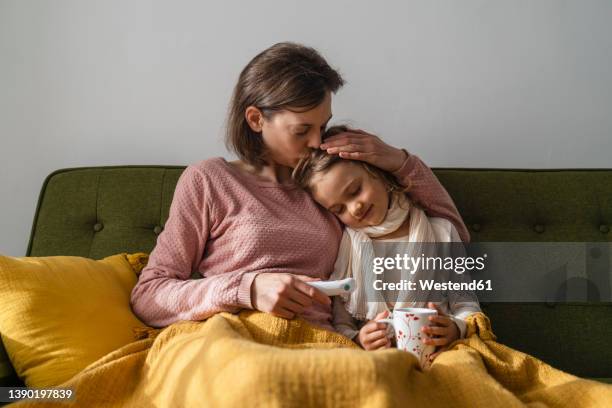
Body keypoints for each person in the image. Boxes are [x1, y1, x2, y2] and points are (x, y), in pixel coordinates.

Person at [130, 42, 470, 334]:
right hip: (238, 339)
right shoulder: (209, 180)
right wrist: (247, 287)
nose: (316, 142)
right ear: (256, 119)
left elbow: (447, 230)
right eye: (302, 130)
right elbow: (150, 295)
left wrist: (397, 160)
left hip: (325, 345)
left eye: (322, 126)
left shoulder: (329, 190)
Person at [291, 125, 481, 353]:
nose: (355, 208)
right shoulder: (349, 245)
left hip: (439, 352)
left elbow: (466, 304)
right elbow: (341, 322)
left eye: (355, 190)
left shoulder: (441, 232)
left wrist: (455, 328)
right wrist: (360, 338)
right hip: (381, 359)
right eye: (339, 209)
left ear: (378, 173)